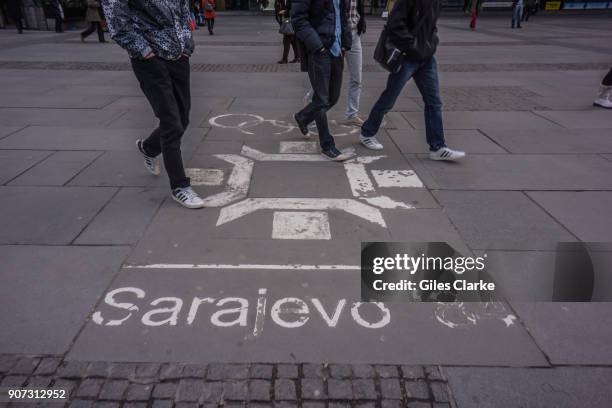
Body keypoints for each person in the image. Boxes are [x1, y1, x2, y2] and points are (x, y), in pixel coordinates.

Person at [101, 0, 206, 209]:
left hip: (179, 56)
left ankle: (148, 148)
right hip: (150, 60)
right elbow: (116, 20)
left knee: (182, 120)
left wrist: (187, 46)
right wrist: (143, 50)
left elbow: (184, 13)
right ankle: (179, 186)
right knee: (171, 122)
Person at [359, 0, 465, 162]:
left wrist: (432, 43)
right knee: (389, 98)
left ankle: (437, 147)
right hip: (408, 58)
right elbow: (395, 24)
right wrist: (412, 46)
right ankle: (367, 132)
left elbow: (431, 26)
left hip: (427, 57)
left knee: (434, 102)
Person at [292, 0, 354, 161]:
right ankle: (327, 146)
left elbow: (343, 16)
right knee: (321, 99)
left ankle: (303, 117)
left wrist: (346, 43)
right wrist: (317, 46)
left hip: (337, 48)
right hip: (320, 50)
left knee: (333, 98)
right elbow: (299, 19)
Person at [342, 0, 366, 125]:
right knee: (328, 76)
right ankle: (310, 103)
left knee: (357, 78)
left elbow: (359, 9)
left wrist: (362, 24)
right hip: (338, 35)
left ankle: (352, 114)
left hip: (354, 35)